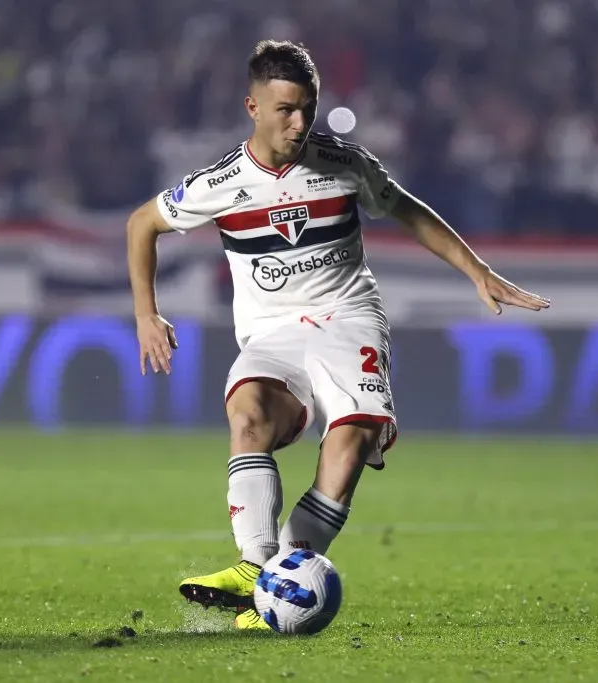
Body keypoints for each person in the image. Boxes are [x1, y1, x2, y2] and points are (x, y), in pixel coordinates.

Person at [125, 39, 550, 630]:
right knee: (247, 416)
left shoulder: (344, 163)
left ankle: (279, 580)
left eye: (308, 109)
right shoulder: (219, 183)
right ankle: (258, 573)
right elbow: (141, 222)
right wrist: (147, 313)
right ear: (253, 107)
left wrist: (476, 270)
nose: (299, 123)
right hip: (272, 334)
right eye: (285, 110)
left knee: (348, 442)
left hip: (347, 319)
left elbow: (407, 209)